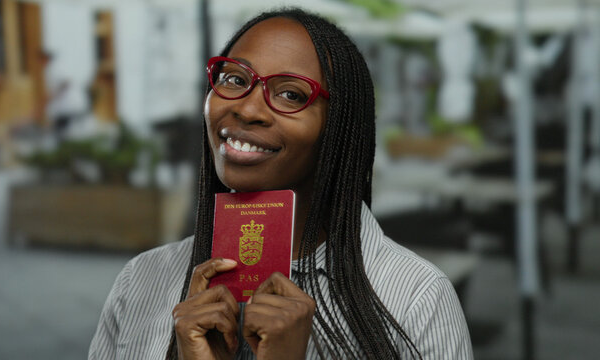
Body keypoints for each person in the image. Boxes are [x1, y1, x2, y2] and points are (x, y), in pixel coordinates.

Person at [89, 8, 473, 359]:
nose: (247, 107)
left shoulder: (416, 298)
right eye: (234, 79)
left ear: (338, 127)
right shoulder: (141, 281)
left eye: (291, 94)